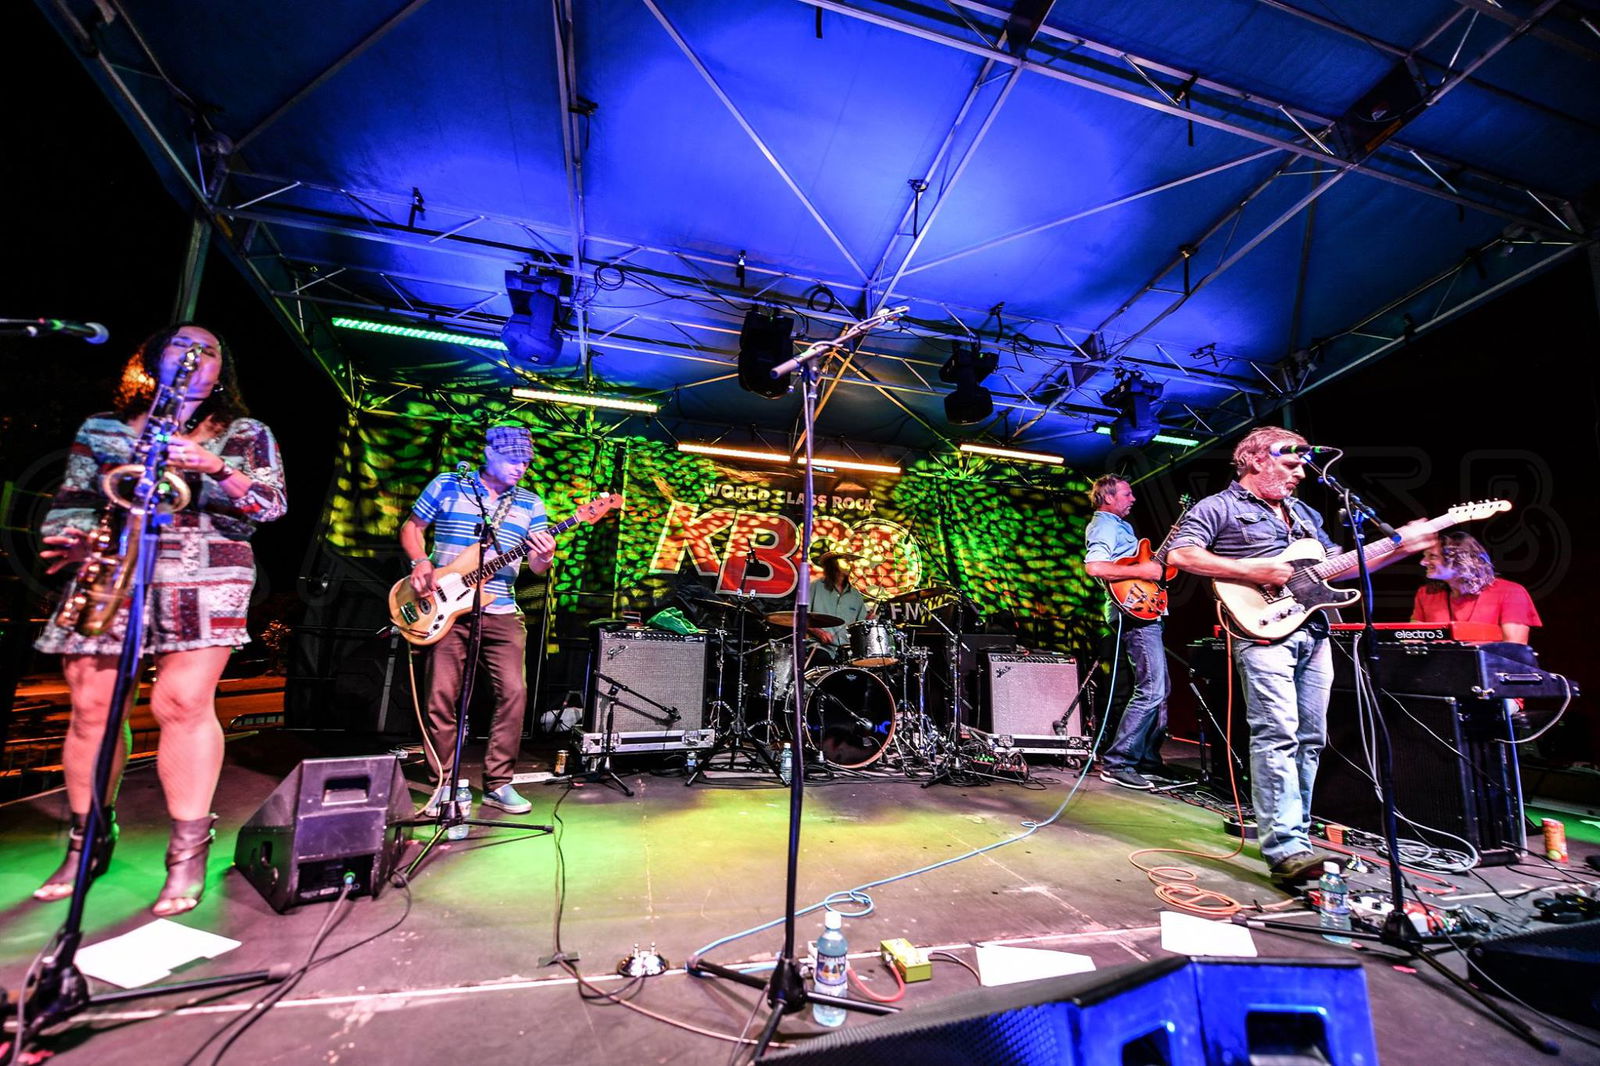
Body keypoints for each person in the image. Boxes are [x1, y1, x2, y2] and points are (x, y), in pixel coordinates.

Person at [33, 323, 287, 915]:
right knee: (93, 708)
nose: (194, 354)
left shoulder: (246, 432)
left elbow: (271, 505)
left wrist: (215, 467)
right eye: (181, 345)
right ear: (151, 360)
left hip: (207, 574)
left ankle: (187, 853)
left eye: (209, 349)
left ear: (221, 371)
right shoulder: (103, 429)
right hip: (110, 571)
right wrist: (71, 540)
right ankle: (86, 842)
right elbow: (71, 502)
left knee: (183, 704)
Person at [1167, 426, 1432, 885]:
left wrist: (1400, 546)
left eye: (1302, 466)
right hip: (1263, 631)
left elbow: (1340, 569)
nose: (1300, 474)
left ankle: (1299, 838)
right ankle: (1285, 848)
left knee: (1310, 738)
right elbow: (1181, 554)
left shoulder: (1304, 513)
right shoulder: (1219, 506)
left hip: (1314, 629)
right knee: (1277, 734)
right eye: (1290, 464)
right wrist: (1249, 569)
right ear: (1256, 460)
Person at [401, 425, 556, 816]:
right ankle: (443, 783)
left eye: (526, 461)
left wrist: (545, 555)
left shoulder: (530, 503)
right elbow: (412, 528)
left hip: (501, 609)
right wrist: (420, 561)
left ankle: (499, 783)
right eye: (512, 459)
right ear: (489, 453)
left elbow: (537, 567)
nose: (520, 467)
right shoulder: (448, 484)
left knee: (514, 693)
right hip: (445, 608)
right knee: (440, 696)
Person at [1081, 475, 1171, 790]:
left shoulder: (1122, 527)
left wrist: (1153, 569)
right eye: (1127, 494)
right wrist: (1143, 571)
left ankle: (1146, 761)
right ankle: (1118, 762)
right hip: (1133, 613)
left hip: (1144, 608)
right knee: (1151, 690)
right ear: (1108, 497)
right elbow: (1095, 566)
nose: (1133, 499)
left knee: (1160, 691)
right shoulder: (1104, 524)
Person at [1412, 531, 1541, 643]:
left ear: (1458, 560)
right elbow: (1412, 640)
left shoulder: (1511, 592)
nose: (1423, 562)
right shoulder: (1425, 594)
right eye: (1425, 556)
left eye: (1432, 556)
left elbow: (1514, 649)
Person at [804, 549, 869, 663]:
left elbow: (861, 625)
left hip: (848, 650)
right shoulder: (815, 587)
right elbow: (801, 618)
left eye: (851, 561)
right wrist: (819, 632)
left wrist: (869, 620)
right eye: (845, 560)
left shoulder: (855, 594)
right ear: (833, 563)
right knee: (821, 658)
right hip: (819, 646)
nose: (850, 564)